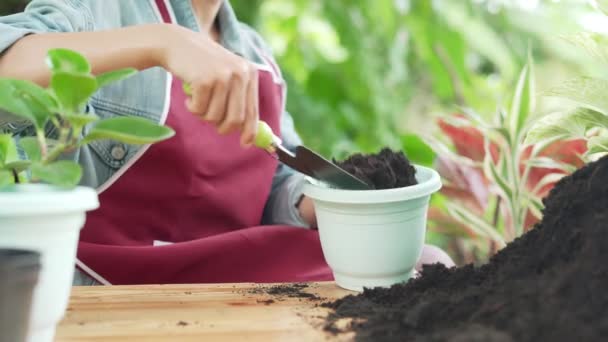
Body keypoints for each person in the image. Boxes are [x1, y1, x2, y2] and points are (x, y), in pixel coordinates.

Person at [0, 0, 454, 286]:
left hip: (225, 278)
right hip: (109, 282)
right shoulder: (104, 11)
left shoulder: (255, 57)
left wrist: (325, 199)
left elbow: (278, 178)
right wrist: (160, 42)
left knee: (425, 265)